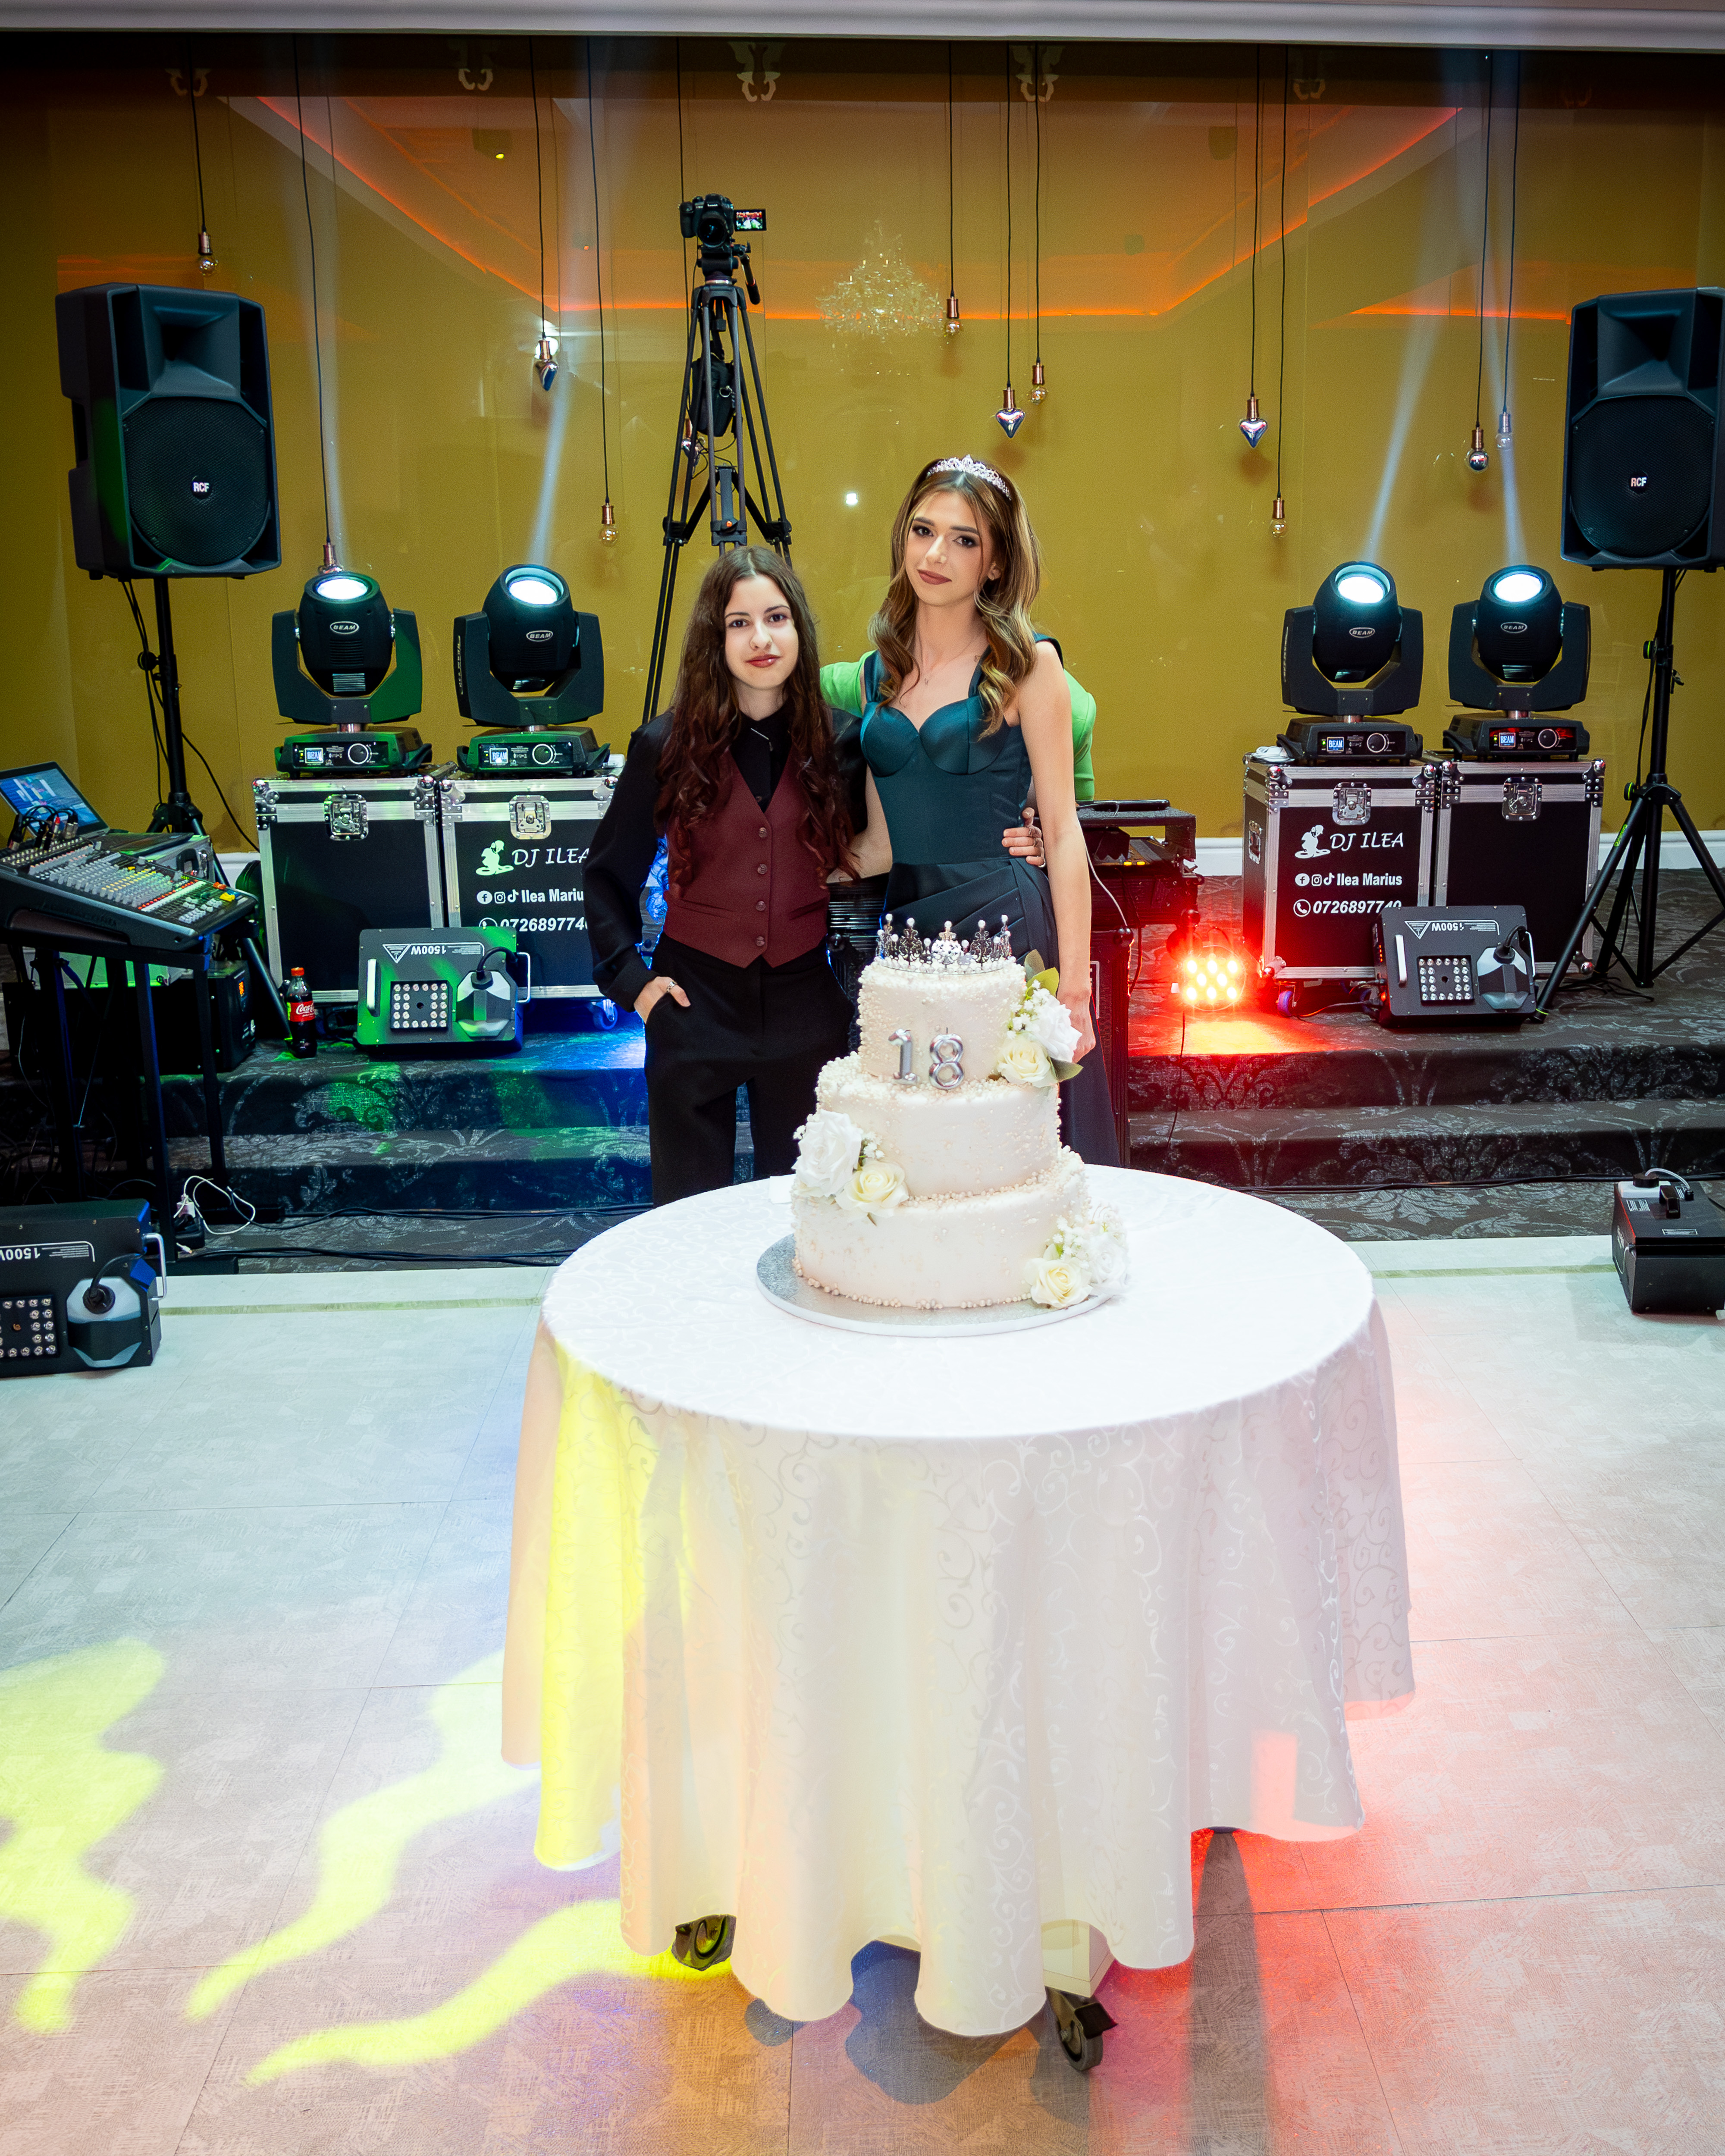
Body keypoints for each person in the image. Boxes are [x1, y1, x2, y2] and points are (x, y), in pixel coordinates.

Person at [583, 545, 1046, 1205]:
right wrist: (635, 986)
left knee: (807, 1208)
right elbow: (606, 874)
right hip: (692, 1006)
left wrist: (1015, 833)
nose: (761, 638)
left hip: (806, 1005)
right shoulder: (664, 745)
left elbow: (903, 836)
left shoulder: (845, 743)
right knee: (686, 1215)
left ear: (799, 628)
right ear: (715, 638)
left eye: (776, 618)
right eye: (739, 623)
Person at [841, 453, 1119, 1165]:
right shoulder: (876, 672)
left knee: (1014, 1138)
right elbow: (878, 846)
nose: (935, 554)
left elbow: (1062, 833)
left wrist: (1077, 991)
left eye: (963, 540)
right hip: (906, 928)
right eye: (923, 531)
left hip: (1006, 924)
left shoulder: (1029, 665)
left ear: (994, 564)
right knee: (922, 1143)